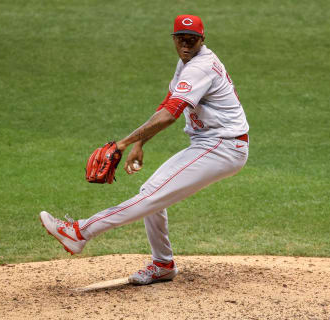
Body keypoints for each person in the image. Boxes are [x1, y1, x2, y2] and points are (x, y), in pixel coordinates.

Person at [40, 14, 249, 285]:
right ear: (174, 39)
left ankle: (80, 232)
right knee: (152, 194)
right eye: (181, 38)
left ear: (202, 40)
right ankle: (163, 264)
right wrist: (140, 143)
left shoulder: (201, 66)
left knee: (150, 196)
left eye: (192, 39)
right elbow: (169, 101)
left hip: (223, 146)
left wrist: (123, 143)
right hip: (212, 143)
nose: (186, 43)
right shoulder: (186, 62)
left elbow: (171, 115)